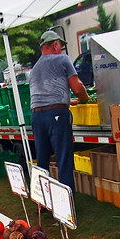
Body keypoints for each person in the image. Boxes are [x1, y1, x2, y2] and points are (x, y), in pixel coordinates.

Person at [29, 29, 90, 190]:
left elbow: (46, 94)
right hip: (56, 115)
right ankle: (66, 208)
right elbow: (77, 87)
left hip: (36, 116)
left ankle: (41, 201)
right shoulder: (62, 59)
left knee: (42, 160)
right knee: (64, 159)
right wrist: (85, 98)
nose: (61, 49)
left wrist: (68, 101)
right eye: (60, 46)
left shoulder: (34, 69)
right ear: (55, 44)